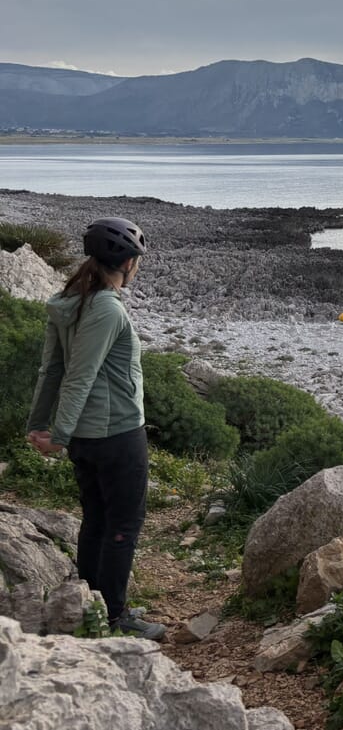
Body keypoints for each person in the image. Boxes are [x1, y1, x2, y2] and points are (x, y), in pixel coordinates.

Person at [25, 216, 166, 640]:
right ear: (126, 263)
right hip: (116, 433)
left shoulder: (71, 298)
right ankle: (116, 617)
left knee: (98, 520)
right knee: (124, 523)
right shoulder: (106, 306)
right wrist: (58, 435)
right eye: (136, 259)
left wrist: (40, 423)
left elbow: (51, 369)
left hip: (88, 438)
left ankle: (92, 604)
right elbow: (79, 374)